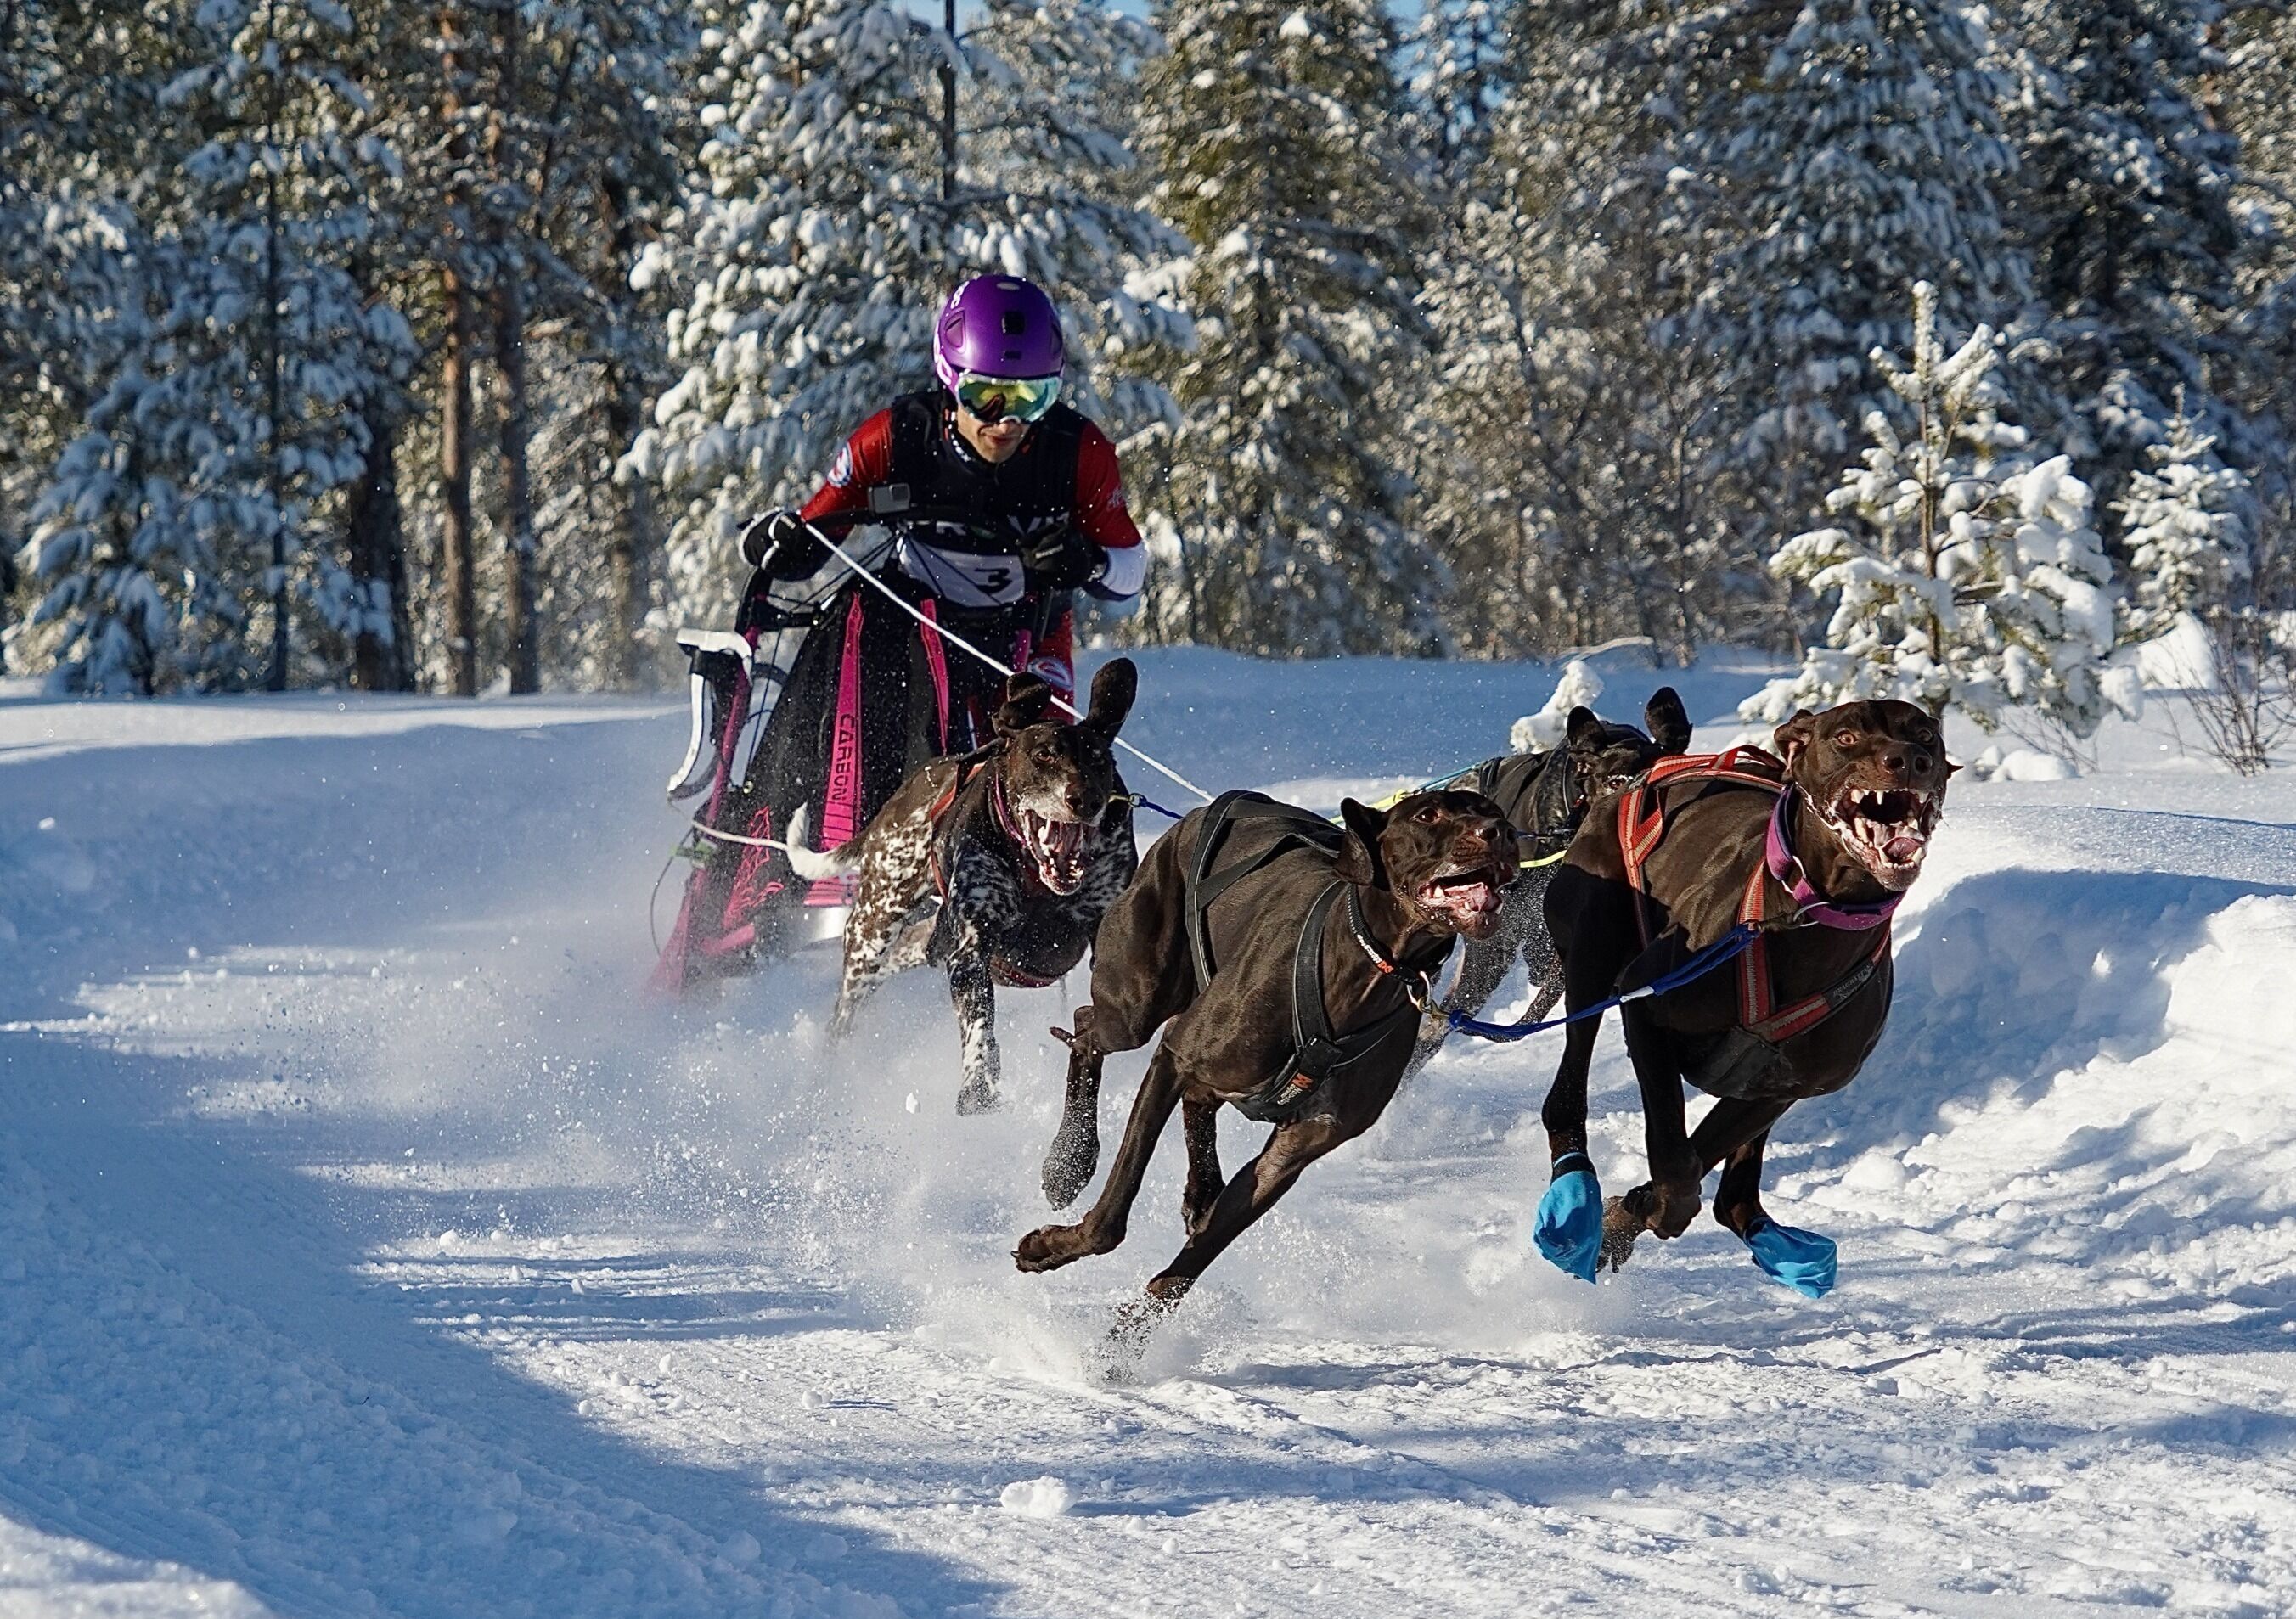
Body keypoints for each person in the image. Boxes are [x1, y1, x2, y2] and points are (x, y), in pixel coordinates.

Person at [656, 275, 1147, 991]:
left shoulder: (1077, 452)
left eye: (1031, 398)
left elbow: (1129, 569)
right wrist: (782, 540)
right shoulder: (896, 437)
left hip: (1022, 647)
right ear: (950, 380)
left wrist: (1088, 560)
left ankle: (1020, 926)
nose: (1007, 420)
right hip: (903, 630)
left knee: (1049, 779)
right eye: (987, 395)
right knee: (866, 648)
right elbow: (816, 525)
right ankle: (787, 874)